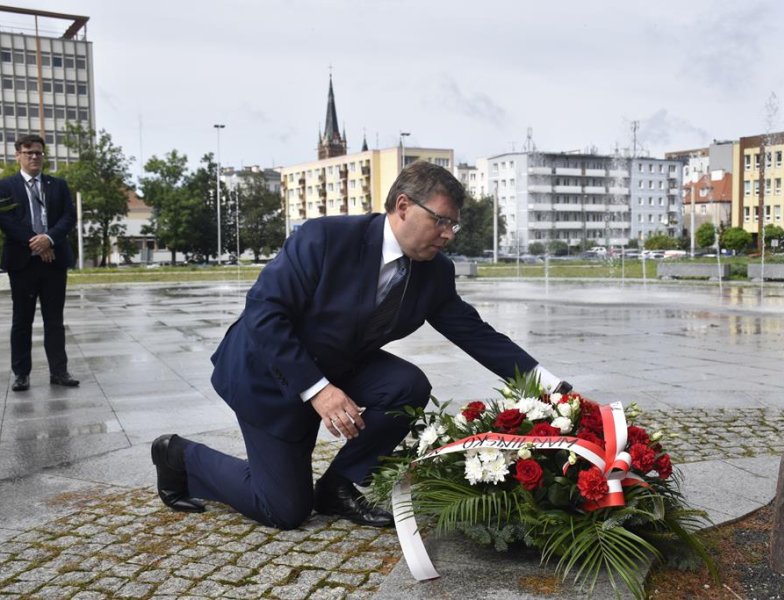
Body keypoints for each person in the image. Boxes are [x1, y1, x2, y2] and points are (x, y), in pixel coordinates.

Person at [151, 161, 570, 529]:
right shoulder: (325, 238)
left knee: (407, 386)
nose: (448, 234)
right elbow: (264, 314)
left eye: (453, 225)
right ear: (403, 206)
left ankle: (338, 486)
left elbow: (477, 334)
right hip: (268, 374)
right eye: (441, 221)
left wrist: (552, 389)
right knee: (284, 510)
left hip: (338, 365)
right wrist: (318, 391)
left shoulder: (435, 272)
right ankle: (178, 456)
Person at [0, 134, 79, 392]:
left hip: (54, 261)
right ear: (17, 155)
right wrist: (37, 242)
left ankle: (59, 371)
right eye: (28, 152)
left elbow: (69, 217)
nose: (34, 156)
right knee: (21, 321)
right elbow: (6, 221)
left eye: (38, 152)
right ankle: (21, 374)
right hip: (22, 263)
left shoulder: (58, 185)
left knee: (54, 320)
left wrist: (49, 239)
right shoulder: (5, 186)